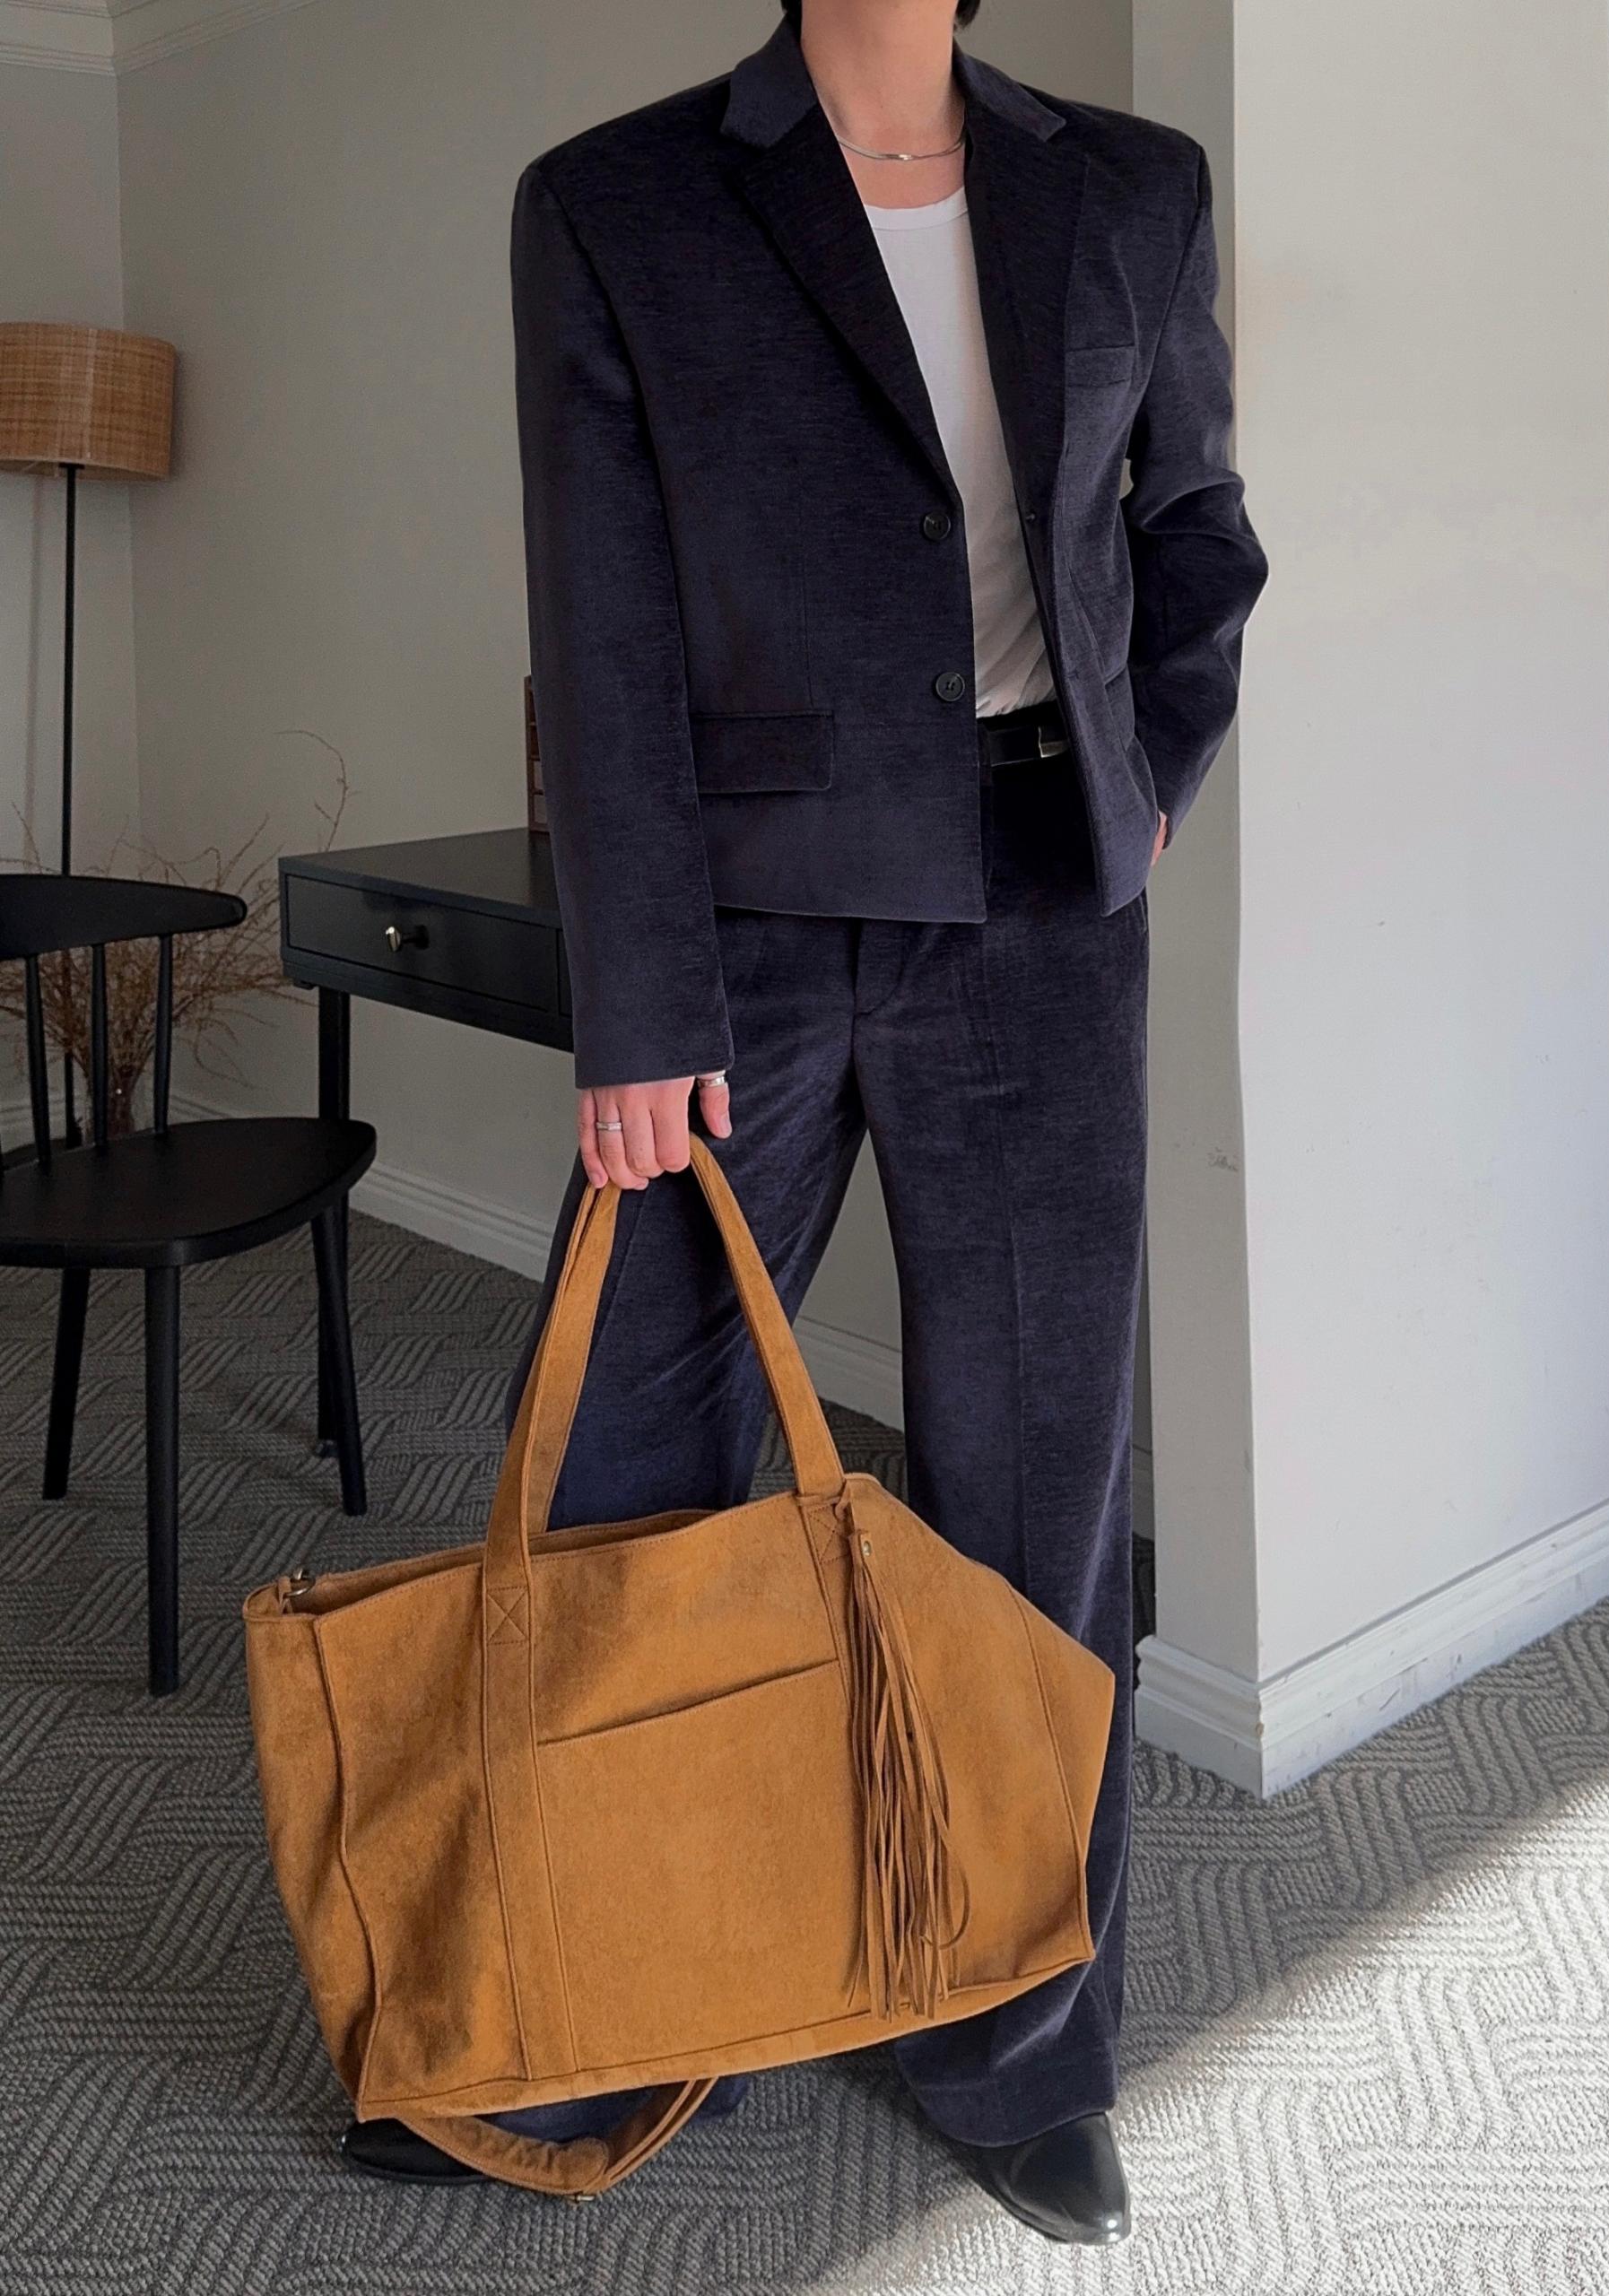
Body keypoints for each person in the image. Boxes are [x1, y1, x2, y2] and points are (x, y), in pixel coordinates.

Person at [342, 0, 1267, 2245]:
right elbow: (604, 624)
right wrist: (636, 1001)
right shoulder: (616, 201)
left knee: (1033, 1497)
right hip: (735, 948)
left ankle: (1014, 2038)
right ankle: (592, 1999)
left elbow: (1198, 533)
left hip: (1038, 922)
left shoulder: (1130, 191)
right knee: (631, 1470)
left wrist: (1147, 781)